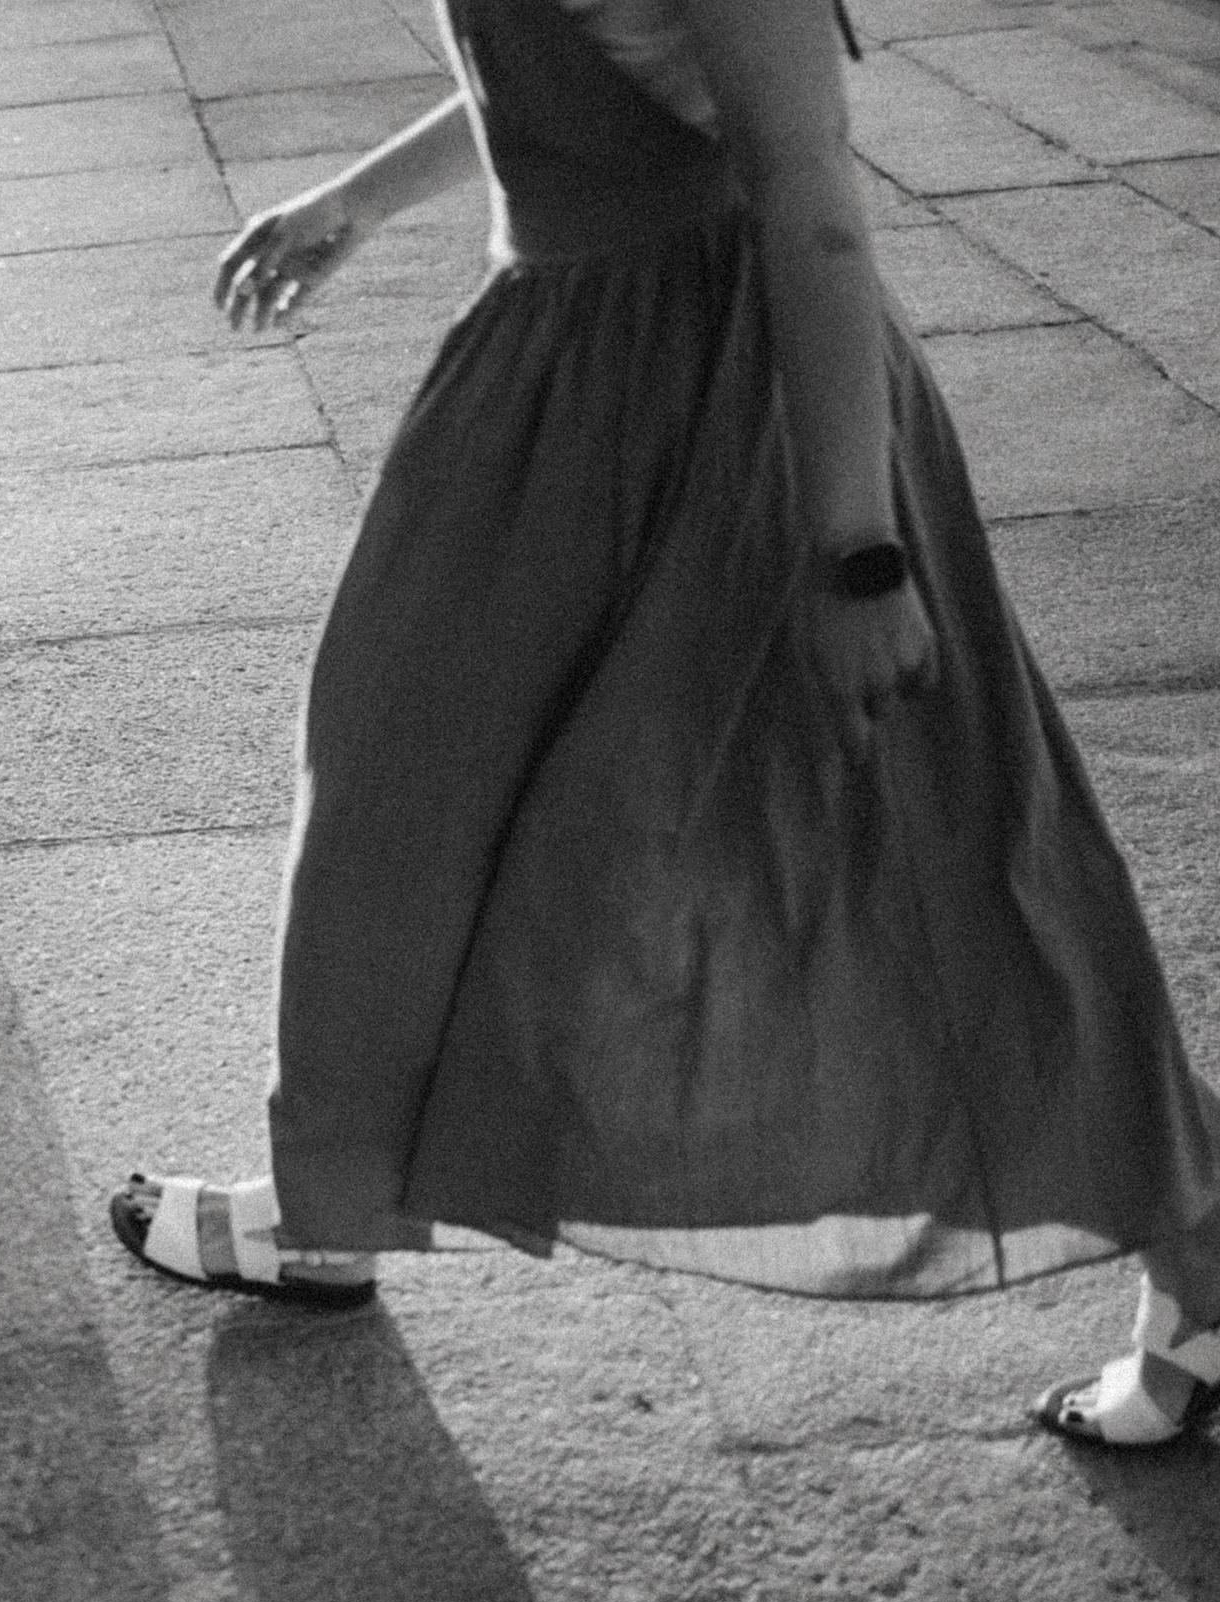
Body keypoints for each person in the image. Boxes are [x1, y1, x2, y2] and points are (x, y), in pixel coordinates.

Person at [108, 0, 1220, 1447]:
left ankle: (1202, 1265)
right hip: (566, 378)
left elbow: (808, 190)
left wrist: (858, 551)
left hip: (732, 400)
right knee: (398, 782)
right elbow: (585, 81)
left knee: (952, 859)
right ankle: (329, 1193)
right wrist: (356, 198)